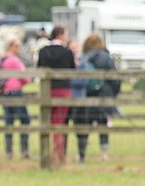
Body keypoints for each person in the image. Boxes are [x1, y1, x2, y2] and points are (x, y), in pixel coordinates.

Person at [36, 24, 76, 166]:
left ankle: (50, 154)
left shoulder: (43, 51)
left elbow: (39, 68)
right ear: (60, 35)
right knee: (59, 123)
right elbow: (73, 70)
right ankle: (59, 155)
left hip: (47, 90)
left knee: (48, 122)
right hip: (63, 90)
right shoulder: (67, 52)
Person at [78, 33, 117, 162]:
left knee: (84, 125)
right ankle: (104, 154)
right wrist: (113, 94)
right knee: (103, 126)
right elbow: (115, 79)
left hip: (86, 96)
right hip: (104, 96)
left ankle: (82, 155)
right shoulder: (106, 57)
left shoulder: (83, 57)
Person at [0, 37, 33, 159]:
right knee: (25, 120)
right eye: (17, 46)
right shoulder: (14, 60)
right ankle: (24, 150)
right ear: (11, 46)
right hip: (16, 92)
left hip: (5, 93)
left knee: (9, 121)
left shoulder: (3, 59)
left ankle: (9, 151)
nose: (19, 48)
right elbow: (25, 78)